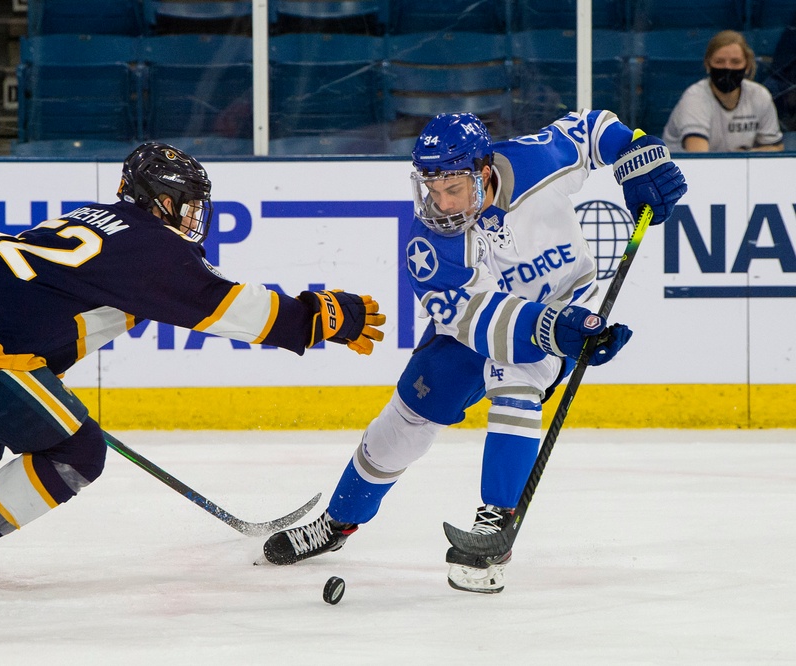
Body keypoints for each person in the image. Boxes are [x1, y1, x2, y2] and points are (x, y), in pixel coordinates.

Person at [0, 142, 386, 589]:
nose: (195, 215)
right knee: (77, 450)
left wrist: (36, 370)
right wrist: (316, 318)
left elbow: (52, 316)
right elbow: (227, 308)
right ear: (157, 200)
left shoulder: (101, 225)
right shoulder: (151, 246)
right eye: (185, 201)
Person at [262, 110, 688, 593]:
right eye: (431, 189)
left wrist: (636, 154)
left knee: (516, 377)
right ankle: (336, 524)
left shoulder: (534, 161)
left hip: (560, 310)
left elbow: (591, 130)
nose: (440, 203)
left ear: (484, 172)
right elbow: (479, 321)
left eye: (453, 189)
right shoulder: (428, 246)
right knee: (403, 423)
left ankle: (496, 524)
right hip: (482, 329)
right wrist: (549, 328)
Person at [662, 30, 784, 153]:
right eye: (719, 62)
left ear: (747, 66)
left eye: (735, 62)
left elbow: (775, 148)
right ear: (708, 65)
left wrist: (746, 155)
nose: (728, 67)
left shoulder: (759, 95)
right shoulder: (694, 98)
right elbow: (698, 156)